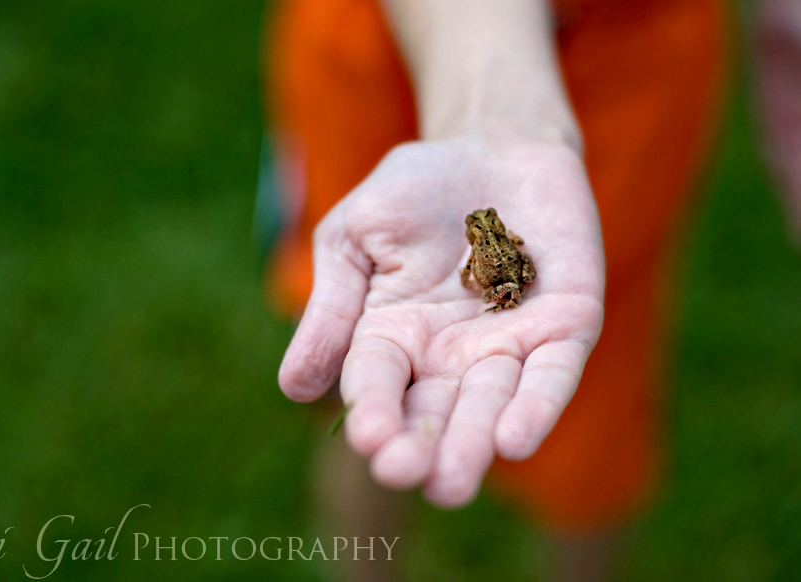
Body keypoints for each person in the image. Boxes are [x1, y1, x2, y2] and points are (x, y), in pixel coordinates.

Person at [261, 0, 801, 578]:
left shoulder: (482, 251)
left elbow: (483, 267)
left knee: (594, 379)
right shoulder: (485, 243)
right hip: (373, 47)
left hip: (630, 56)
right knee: (369, 360)